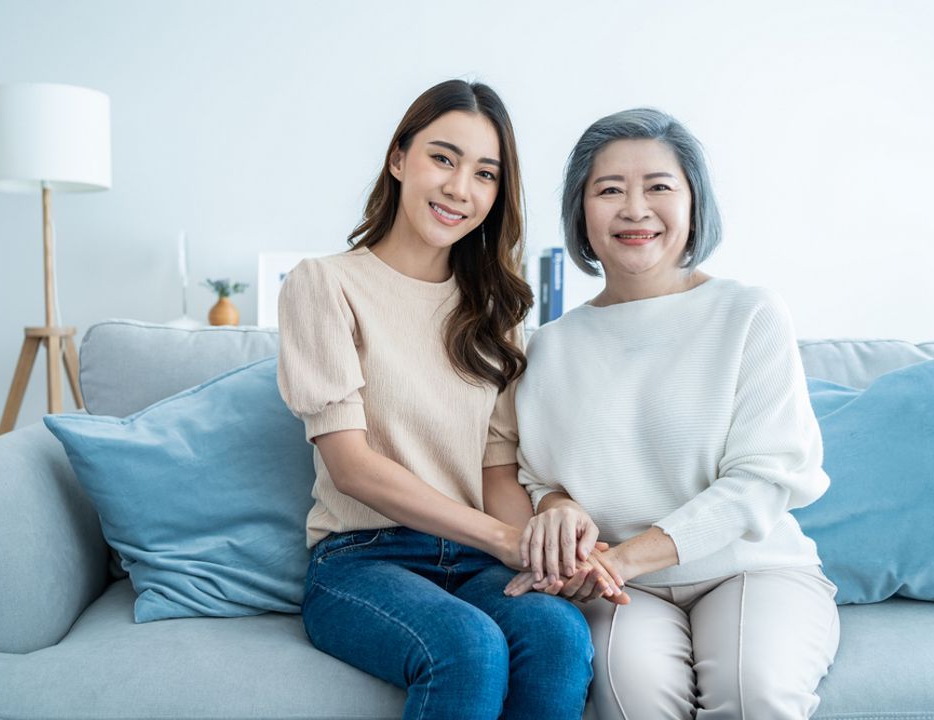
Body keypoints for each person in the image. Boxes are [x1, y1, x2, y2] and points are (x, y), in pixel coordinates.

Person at [277, 79, 596, 720]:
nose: (460, 189)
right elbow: (352, 466)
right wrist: (504, 538)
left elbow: (495, 469)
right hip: (362, 561)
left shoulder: (497, 311)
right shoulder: (325, 284)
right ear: (399, 159)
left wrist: (539, 550)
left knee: (559, 632)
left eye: (485, 174)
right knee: (468, 644)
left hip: (472, 562)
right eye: (443, 159)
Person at [506, 108, 840, 719]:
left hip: (750, 572)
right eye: (610, 190)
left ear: (693, 204)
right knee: (632, 699)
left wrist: (623, 559)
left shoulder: (749, 313)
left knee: (754, 692)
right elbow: (537, 475)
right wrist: (556, 508)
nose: (635, 209)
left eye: (659, 187)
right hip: (623, 592)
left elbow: (764, 478)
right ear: (582, 212)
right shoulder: (547, 345)